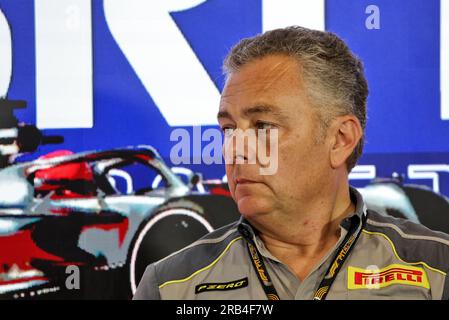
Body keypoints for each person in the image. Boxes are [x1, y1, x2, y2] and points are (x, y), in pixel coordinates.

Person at [133, 26, 449, 300]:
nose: (235, 151)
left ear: (340, 140)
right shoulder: (170, 284)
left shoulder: (437, 268)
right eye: (229, 129)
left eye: (263, 126)